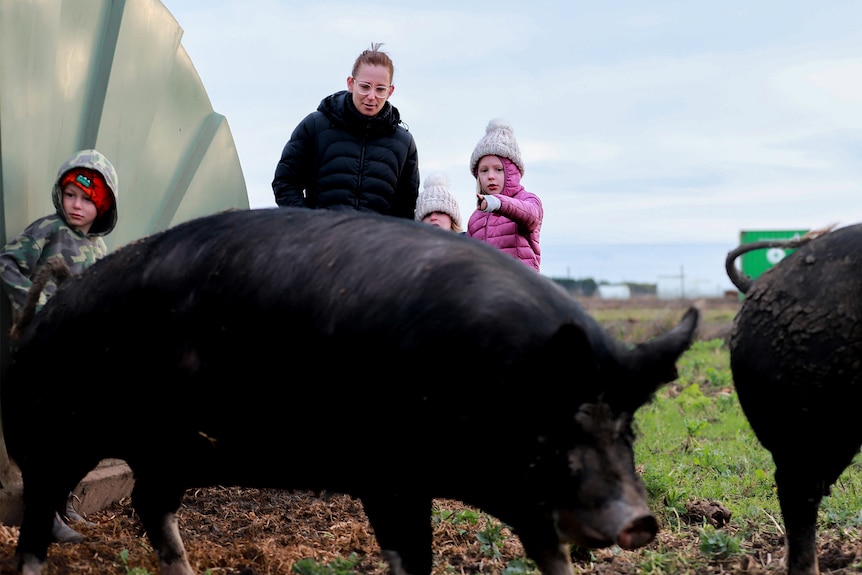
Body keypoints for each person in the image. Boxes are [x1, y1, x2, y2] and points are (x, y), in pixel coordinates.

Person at [0, 148, 119, 543]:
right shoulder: (47, 230)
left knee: (76, 438)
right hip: (40, 353)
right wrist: (38, 307)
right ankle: (42, 515)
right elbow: (7, 263)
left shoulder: (100, 251)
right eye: (71, 194)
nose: (77, 205)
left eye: (88, 199)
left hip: (75, 360)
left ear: (102, 207)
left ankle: (62, 501)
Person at [272, 42, 420, 219]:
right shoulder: (314, 126)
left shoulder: (404, 144)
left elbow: (405, 210)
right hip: (320, 242)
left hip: (375, 245)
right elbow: (285, 183)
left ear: (390, 91)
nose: (371, 96)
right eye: (365, 86)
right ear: (351, 83)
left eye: (380, 89)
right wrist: (308, 224)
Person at [467, 118, 543, 272]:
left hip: (521, 290)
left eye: (498, 169)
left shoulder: (528, 200)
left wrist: (498, 203)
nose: (490, 176)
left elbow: (531, 214)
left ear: (511, 171)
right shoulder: (475, 218)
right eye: (484, 170)